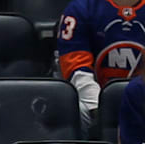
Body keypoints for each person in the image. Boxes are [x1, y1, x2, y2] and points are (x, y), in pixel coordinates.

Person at [56, 0, 145, 129]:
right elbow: (77, 69)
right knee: (72, 112)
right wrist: (98, 107)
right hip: (94, 103)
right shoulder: (81, 8)